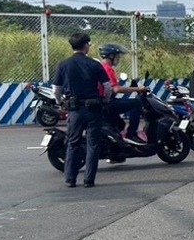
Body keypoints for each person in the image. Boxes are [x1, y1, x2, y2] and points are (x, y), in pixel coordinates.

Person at [52, 32, 111, 188]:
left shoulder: (64, 65)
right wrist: (105, 100)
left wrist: (61, 103)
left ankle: (70, 179)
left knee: (73, 143)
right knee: (93, 144)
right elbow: (107, 87)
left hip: (75, 110)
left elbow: (56, 89)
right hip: (93, 109)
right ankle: (89, 180)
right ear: (85, 46)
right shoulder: (94, 64)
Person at [98, 43, 148, 145]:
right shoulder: (107, 69)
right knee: (136, 103)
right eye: (117, 56)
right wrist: (137, 89)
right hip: (107, 103)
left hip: (102, 102)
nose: (119, 58)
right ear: (111, 56)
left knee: (120, 125)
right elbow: (116, 89)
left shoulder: (102, 67)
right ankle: (131, 134)